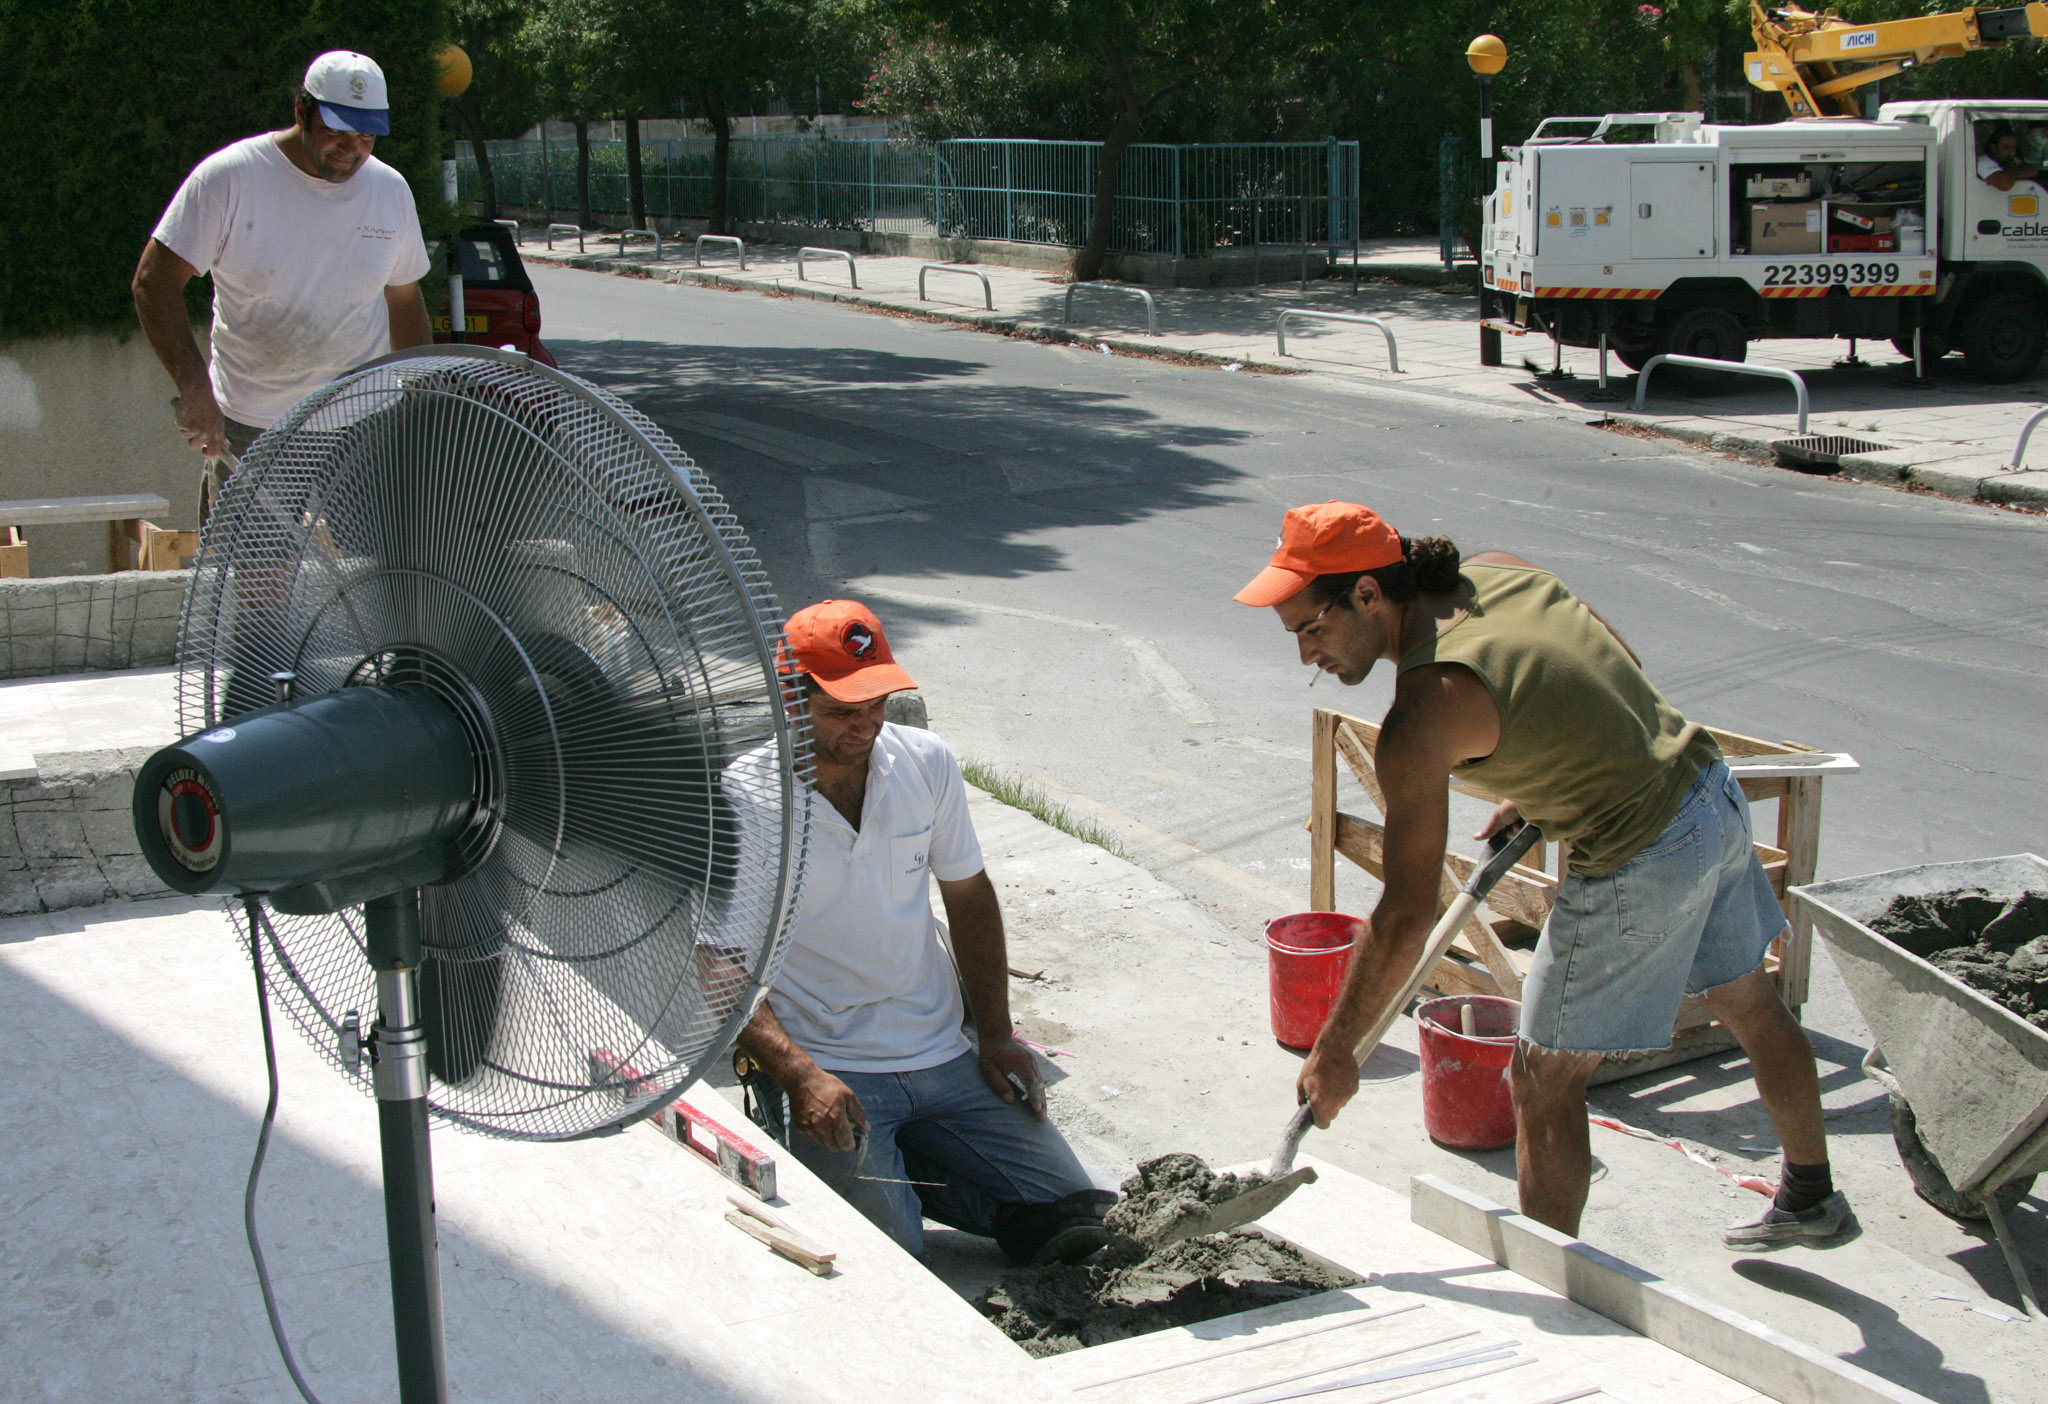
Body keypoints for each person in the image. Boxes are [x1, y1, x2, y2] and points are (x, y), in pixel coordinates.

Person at [1235, 501, 1849, 1247]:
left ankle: (1550, 1290)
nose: (1307, 655)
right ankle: (1813, 1195)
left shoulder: (1423, 714)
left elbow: (1405, 914)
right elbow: (1614, 666)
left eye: (1311, 628)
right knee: (1747, 997)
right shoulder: (1501, 571)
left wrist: (1335, 1049)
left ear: (1367, 594)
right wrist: (1540, 772)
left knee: (1542, 1077)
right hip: (1707, 796)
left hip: (1640, 852)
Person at [721, 599, 1114, 1264]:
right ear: (790, 699)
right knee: (897, 1257)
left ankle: (909, 1167)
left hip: (936, 1047)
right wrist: (798, 1075)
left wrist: (996, 1034)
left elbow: (969, 896)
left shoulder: (925, 762)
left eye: (876, 702)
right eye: (841, 710)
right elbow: (721, 964)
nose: (865, 724)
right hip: (830, 1060)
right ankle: (874, 1168)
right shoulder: (747, 798)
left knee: (1075, 1207)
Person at [132, 50, 432, 520]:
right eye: (337, 130)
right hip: (256, 429)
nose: (351, 148)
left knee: (375, 566)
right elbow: (154, 283)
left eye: (366, 135)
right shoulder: (230, 178)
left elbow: (405, 298)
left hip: (367, 426)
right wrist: (194, 389)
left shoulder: (389, 190)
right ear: (301, 111)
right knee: (254, 566)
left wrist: (420, 399)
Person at [1978, 126, 2042, 192]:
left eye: (2013, 147)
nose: (2011, 151)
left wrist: (2010, 174)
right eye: (2006, 148)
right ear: (1994, 147)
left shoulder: (2009, 159)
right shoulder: (1983, 162)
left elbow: (2032, 171)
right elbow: (2004, 185)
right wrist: (2013, 169)